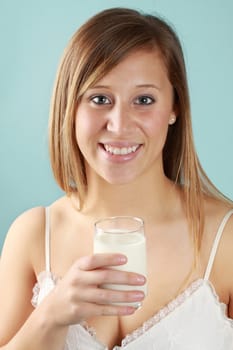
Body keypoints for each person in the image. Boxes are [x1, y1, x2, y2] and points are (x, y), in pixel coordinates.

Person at [0, 7, 233, 350]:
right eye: (99, 98)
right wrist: (51, 316)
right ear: (70, 107)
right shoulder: (33, 235)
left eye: (143, 100)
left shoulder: (226, 238)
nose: (120, 125)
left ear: (174, 108)